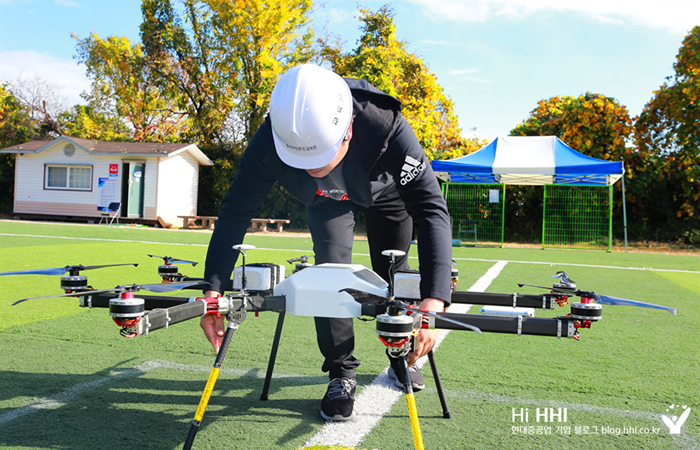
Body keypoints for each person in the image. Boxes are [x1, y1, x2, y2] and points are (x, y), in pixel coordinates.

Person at [200, 64, 453, 421]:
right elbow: (236, 210)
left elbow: (430, 208)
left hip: (387, 195)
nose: (312, 167)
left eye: (318, 157)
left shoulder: (386, 124)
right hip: (325, 201)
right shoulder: (270, 137)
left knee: (393, 272)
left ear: (348, 129)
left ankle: (400, 352)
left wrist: (435, 297)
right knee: (330, 275)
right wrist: (213, 288)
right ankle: (340, 372)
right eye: (301, 159)